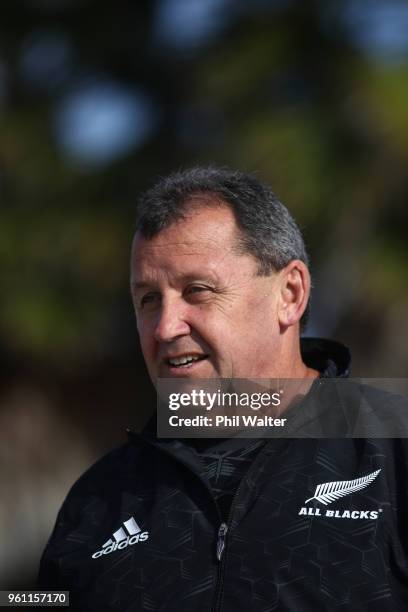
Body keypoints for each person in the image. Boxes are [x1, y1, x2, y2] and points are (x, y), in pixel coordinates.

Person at [39, 166, 408, 611]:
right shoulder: (98, 499)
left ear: (290, 294)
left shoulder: (392, 451)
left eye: (197, 290)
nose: (165, 327)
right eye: (148, 299)